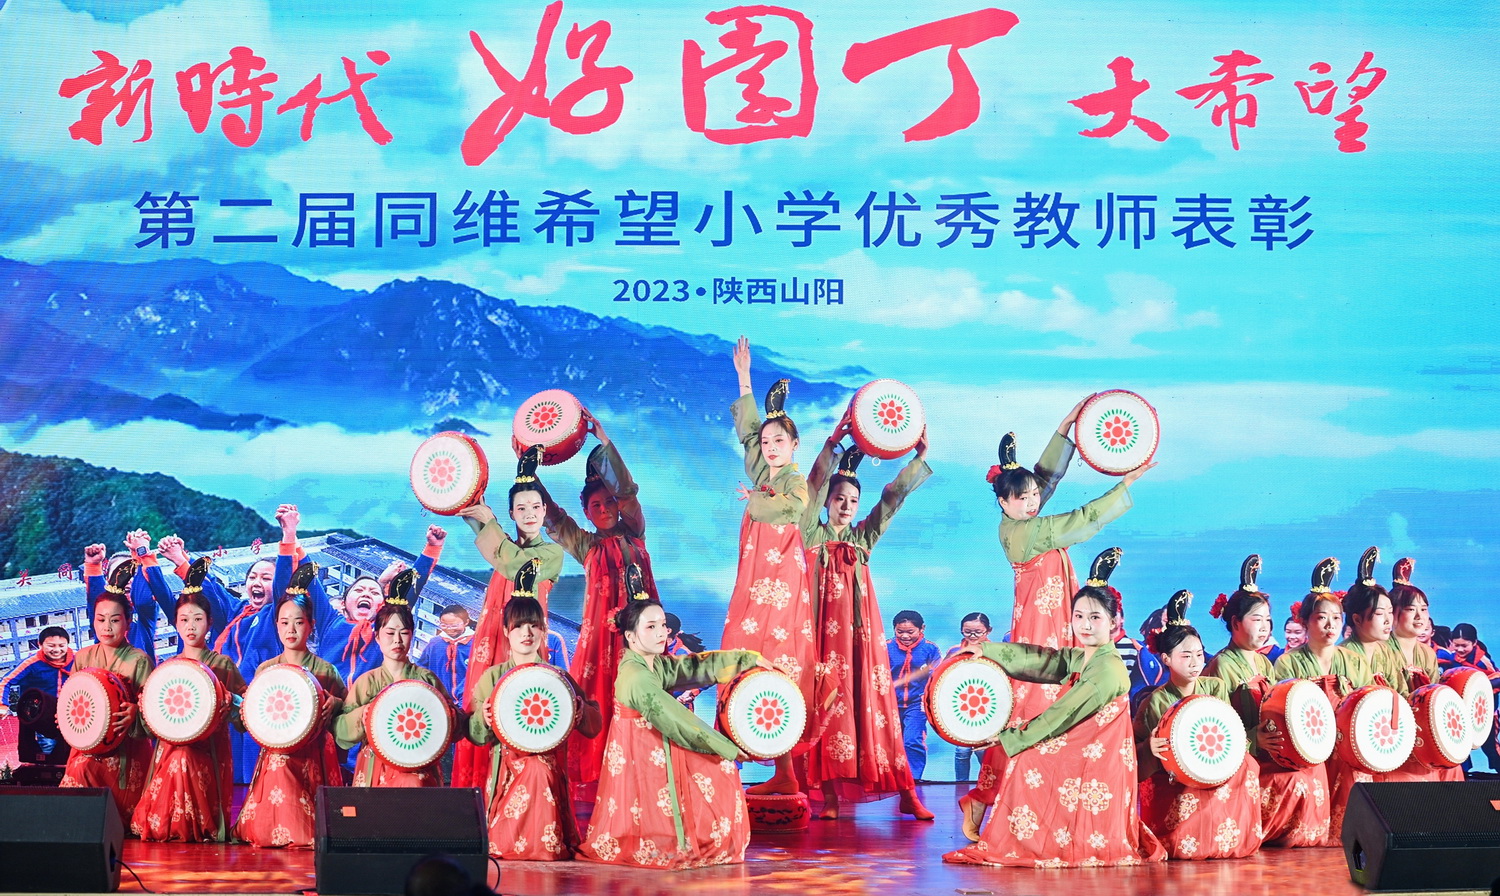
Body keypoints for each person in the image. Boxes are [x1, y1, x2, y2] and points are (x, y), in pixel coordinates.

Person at [967, 413, 1154, 818]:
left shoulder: (1016, 521)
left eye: (1034, 496)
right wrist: (1124, 485)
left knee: (1048, 699)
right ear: (1003, 502)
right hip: (1044, 623)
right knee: (1038, 700)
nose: (1033, 502)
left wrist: (1064, 430)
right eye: (1023, 498)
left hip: (1053, 617)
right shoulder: (1028, 532)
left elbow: (1044, 480)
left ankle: (1011, 798)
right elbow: (1082, 520)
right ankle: (990, 799)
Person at [943, 548, 1165, 867]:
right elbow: (1046, 661)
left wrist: (1011, 738)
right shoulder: (1085, 656)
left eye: (1095, 617)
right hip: (1087, 751)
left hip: (1101, 761)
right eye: (1079, 616)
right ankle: (1034, 839)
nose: (1085, 625)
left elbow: (1063, 714)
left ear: (1114, 622)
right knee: (1027, 757)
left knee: (1028, 758)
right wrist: (988, 651)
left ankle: (1036, 842)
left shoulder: (1108, 667)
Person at [801, 416, 934, 820]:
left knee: (876, 712)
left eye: (853, 501)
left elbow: (892, 500)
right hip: (824, 640)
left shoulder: (863, 539)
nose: (846, 506)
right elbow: (810, 489)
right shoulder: (812, 535)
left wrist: (918, 458)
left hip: (861, 640)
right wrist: (833, 444)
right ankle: (830, 796)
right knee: (828, 708)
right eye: (839, 499)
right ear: (827, 501)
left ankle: (906, 792)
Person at [578, 596, 771, 869]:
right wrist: (725, 747)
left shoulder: (653, 663)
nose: (661, 632)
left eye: (662, 625)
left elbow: (692, 667)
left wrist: (747, 660)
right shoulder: (636, 676)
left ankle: (682, 841)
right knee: (717, 768)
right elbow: (674, 717)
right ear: (630, 636)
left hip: (653, 746)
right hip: (641, 751)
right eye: (651, 627)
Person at [718, 336, 815, 797]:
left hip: (782, 587)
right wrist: (744, 378)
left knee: (780, 662)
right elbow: (749, 431)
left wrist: (758, 500)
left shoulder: (795, 481)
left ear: (795, 444)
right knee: (742, 655)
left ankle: (786, 771)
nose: (771, 447)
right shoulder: (763, 474)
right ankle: (743, 767)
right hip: (753, 582)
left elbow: (794, 507)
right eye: (767, 442)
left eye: (781, 441)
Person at [538, 418, 658, 793]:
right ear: (587, 512)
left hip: (640, 635)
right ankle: (602, 771)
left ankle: (643, 766)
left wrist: (603, 439)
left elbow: (627, 493)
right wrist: (529, 475)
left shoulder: (634, 530)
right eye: (595, 505)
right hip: (602, 638)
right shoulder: (586, 545)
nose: (605, 509)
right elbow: (552, 516)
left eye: (609, 502)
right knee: (598, 695)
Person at [468, 567, 602, 860]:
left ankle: (540, 845)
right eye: (518, 626)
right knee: (532, 769)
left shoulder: (557, 676)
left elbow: (593, 723)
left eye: (534, 626)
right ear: (506, 631)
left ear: (543, 630)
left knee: (539, 768)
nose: (526, 633)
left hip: (549, 762)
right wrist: (483, 719)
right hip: (507, 765)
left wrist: (580, 711)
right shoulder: (493, 677)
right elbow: (476, 734)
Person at [453, 447, 565, 788]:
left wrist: (488, 521)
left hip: (525, 640)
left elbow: (517, 564)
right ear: (512, 513)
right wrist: (464, 496)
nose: (530, 514)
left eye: (535, 507)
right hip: (493, 637)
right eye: (521, 508)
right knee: (484, 705)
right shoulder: (500, 546)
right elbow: (483, 527)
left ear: (544, 510)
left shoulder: (551, 552)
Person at [1203, 555, 1330, 848]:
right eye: (1256, 619)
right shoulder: (1221, 665)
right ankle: (1275, 837)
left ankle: (1306, 843)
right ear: (1235, 623)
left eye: (1267, 620)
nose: (1264, 627)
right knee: (1294, 780)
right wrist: (1253, 739)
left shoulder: (1263, 662)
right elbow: (1217, 727)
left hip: (1271, 750)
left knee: (1313, 767)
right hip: (1246, 755)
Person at [1134, 590, 1262, 859]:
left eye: (1199, 654)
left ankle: (1232, 835)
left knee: (1247, 764)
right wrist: (1150, 749)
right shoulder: (1155, 701)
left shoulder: (1214, 686)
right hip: (1173, 773)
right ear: (1166, 659)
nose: (1195, 663)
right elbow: (1141, 753)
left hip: (1213, 760)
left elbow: (1227, 729)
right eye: (1185, 656)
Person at [131, 559, 248, 842]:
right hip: (170, 746)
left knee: (185, 759)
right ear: (175, 623)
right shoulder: (166, 668)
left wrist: (229, 701)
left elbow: (244, 714)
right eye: (184, 620)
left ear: (209, 622)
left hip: (209, 748)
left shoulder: (221, 664)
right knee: (178, 758)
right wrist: (145, 707)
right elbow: (151, 721)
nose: (191, 626)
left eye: (198, 619)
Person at [235, 563, 347, 849]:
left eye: (298, 622)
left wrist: (336, 703)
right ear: (276, 625)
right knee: (279, 762)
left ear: (311, 625)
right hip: (276, 749)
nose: (291, 629)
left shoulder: (325, 670)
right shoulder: (266, 669)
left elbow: (346, 711)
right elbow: (253, 714)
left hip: (313, 752)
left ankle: (302, 830)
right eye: (284, 623)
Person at [1273, 558, 1375, 845]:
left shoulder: (1354, 661)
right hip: (1306, 744)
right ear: (1305, 621)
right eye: (1321, 618)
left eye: (1336, 618)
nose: (1331, 625)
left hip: (1346, 743)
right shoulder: (1287, 663)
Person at [59, 562, 154, 824]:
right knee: (81, 770)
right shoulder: (83, 656)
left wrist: (136, 713)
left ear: (128, 622)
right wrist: (65, 715)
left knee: (113, 818)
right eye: (100, 620)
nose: (107, 627)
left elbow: (152, 710)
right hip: (88, 747)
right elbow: (72, 698)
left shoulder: (139, 660)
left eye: (115, 620)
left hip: (125, 750)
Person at [0, 625, 74, 765]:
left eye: (61, 645)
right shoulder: (32, 663)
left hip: (71, 714)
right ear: (40, 644)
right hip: (43, 715)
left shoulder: (78, 658)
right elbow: (6, 681)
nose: (57, 650)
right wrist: (2, 705)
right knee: (49, 749)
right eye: (51, 645)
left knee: (73, 751)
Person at [1341, 547, 1408, 692]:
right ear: (1357, 619)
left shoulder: (1385, 651)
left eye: (1390, 612)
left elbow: (1401, 692)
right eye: (1379, 613)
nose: (1388, 620)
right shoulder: (1342, 655)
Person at [886, 609, 942, 784]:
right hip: (890, 702)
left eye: (910, 632)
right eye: (899, 631)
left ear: (922, 628)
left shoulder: (930, 649)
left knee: (912, 740)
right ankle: (892, 778)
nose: (905, 636)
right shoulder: (885, 647)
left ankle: (913, 779)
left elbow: (937, 676)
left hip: (917, 703)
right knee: (890, 743)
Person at [946, 613, 992, 782]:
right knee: (962, 751)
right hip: (961, 706)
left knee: (983, 750)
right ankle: (961, 787)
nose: (972, 636)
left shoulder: (997, 651)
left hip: (988, 707)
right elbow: (941, 677)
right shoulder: (954, 651)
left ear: (988, 630)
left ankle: (988, 785)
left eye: (978, 632)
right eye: (967, 632)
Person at [418, 603, 473, 706]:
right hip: (439, 699)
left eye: (454, 625)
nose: (449, 629)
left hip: (467, 701)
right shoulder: (435, 643)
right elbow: (421, 667)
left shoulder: (474, 644)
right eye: (444, 625)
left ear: (466, 622)